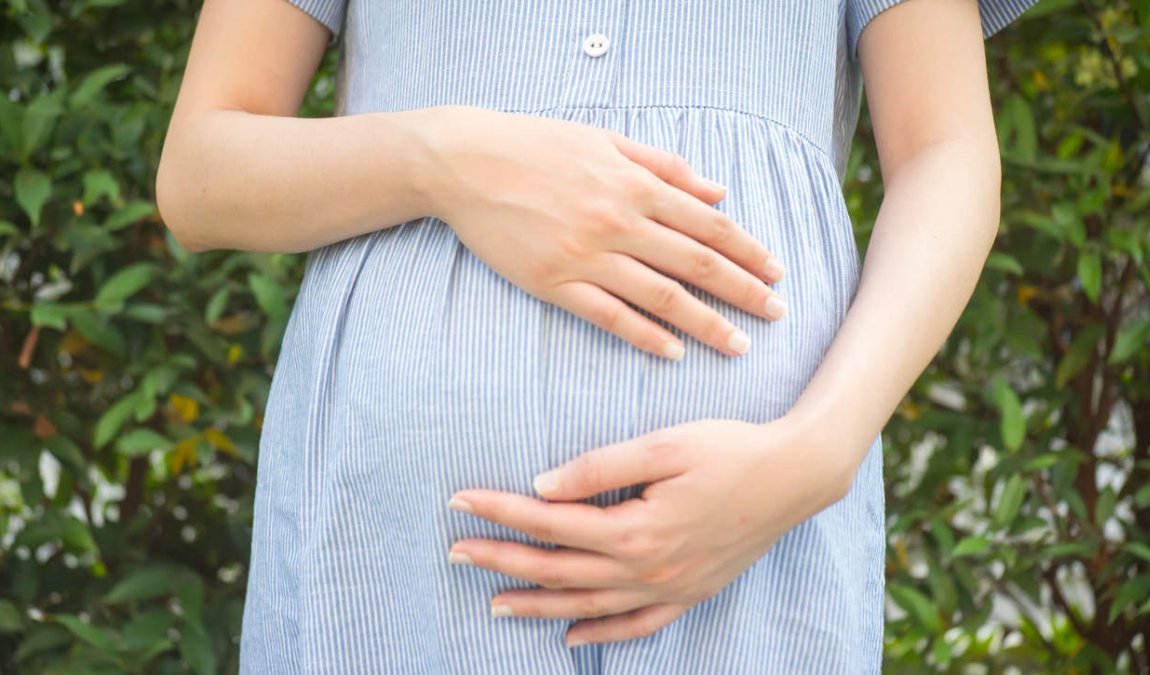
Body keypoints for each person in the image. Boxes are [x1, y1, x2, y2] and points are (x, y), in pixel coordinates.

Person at [155, 0, 1040, 671]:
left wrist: (820, 452)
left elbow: (948, 156)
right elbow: (200, 174)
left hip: (759, 537)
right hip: (394, 554)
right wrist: (440, 155)